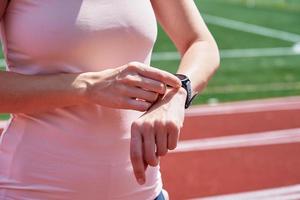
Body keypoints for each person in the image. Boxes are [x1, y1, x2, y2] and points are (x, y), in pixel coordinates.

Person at [0, 0, 220, 199]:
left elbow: (200, 42)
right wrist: (87, 86)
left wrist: (178, 93)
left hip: (144, 193)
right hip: (30, 191)